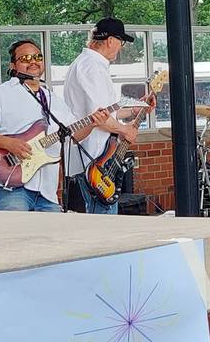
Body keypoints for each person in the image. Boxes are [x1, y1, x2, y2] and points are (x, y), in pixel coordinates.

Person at [0, 40, 102, 212]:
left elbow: (70, 137)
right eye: (25, 58)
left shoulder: (53, 99)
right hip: (12, 187)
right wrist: (9, 144)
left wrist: (92, 123)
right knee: (17, 238)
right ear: (13, 66)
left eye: (38, 56)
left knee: (51, 237)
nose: (33, 61)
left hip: (47, 189)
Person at [62, 18, 150, 214]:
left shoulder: (87, 64)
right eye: (121, 42)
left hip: (94, 158)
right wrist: (125, 130)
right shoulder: (92, 67)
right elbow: (100, 117)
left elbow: (108, 112)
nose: (121, 48)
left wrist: (136, 109)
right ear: (111, 41)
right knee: (101, 223)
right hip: (92, 160)